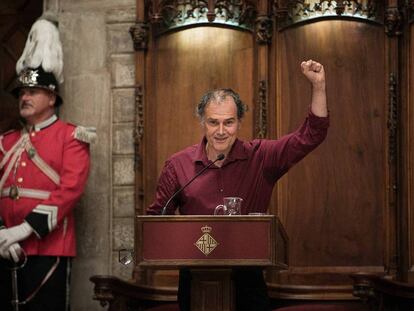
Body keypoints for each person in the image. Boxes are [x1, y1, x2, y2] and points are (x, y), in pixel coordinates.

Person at [147, 60, 329, 311]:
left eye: (229, 122)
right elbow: (156, 221)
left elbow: (311, 136)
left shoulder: (261, 156)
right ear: (202, 122)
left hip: (248, 282)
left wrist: (318, 86)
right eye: (213, 122)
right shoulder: (178, 165)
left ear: (239, 122)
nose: (221, 131)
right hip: (195, 281)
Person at [0, 17, 94, 311]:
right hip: (4, 245)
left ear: (51, 97)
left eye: (32, 92)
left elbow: (69, 191)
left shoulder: (72, 137)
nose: (24, 97)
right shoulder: (5, 141)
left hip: (48, 247)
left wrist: (24, 229)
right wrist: (2, 233)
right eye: (21, 93)